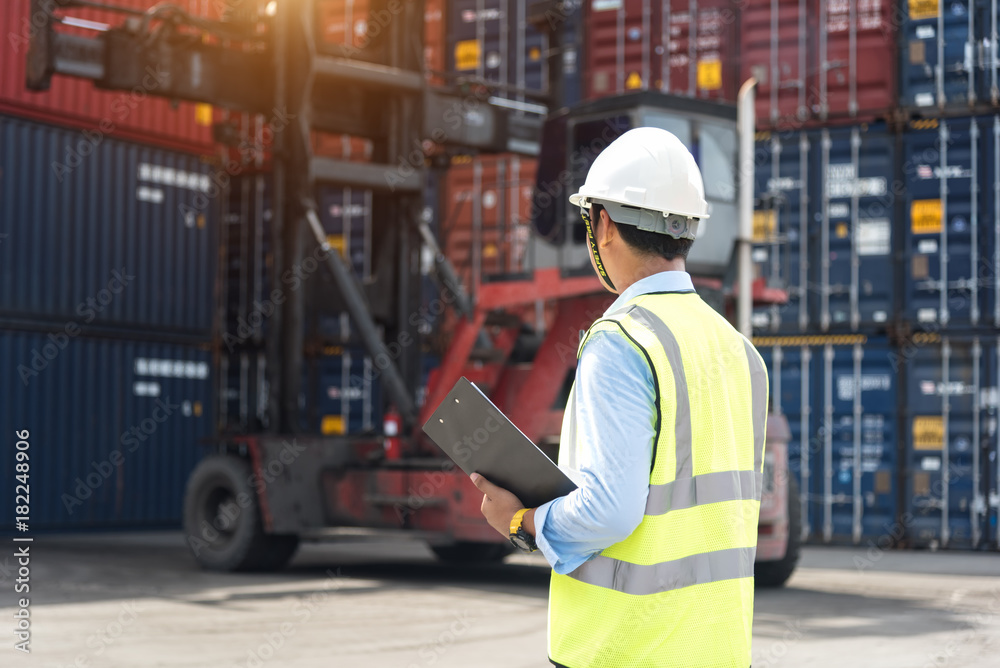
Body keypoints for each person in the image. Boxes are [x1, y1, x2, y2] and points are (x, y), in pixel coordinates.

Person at [470, 126, 769, 668]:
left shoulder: (623, 340)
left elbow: (611, 509)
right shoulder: (740, 351)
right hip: (717, 648)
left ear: (601, 224)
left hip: (624, 648)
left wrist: (522, 523)